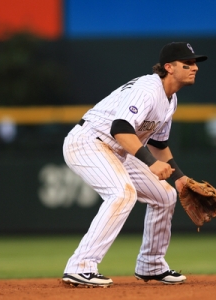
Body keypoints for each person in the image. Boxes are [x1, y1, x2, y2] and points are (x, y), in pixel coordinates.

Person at [62, 42, 207, 287]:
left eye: (195, 63)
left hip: (119, 149)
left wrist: (180, 176)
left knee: (165, 195)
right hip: (88, 142)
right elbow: (120, 128)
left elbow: (159, 144)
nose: (195, 68)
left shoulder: (170, 100)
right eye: (188, 63)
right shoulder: (148, 89)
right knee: (122, 193)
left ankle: (151, 265)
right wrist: (151, 164)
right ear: (169, 67)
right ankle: (80, 266)